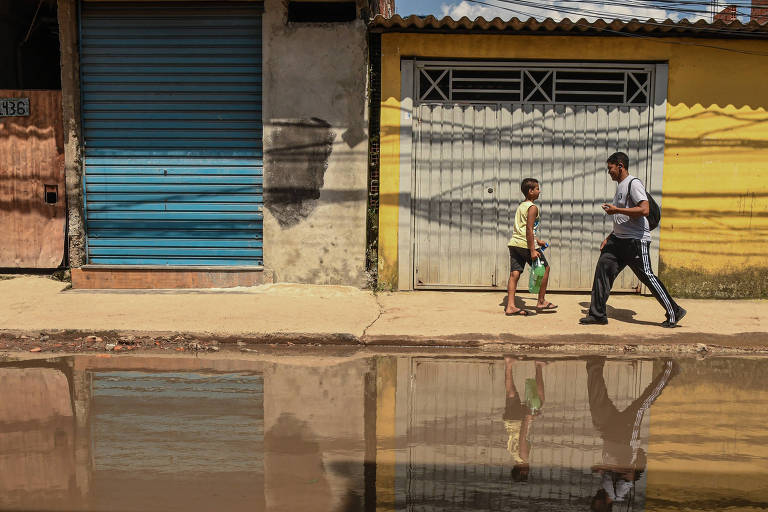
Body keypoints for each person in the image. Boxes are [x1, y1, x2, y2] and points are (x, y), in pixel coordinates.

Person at [580, 152, 686, 327]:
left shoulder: (633, 183)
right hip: (617, 241)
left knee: (647, 276)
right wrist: (609, 237)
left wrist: (617, 211)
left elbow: (644, 210)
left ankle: (674, 310)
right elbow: (622, 220)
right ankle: (597, 314)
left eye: (610, 168)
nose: (609, 172)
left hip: (635, 242)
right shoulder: (620, 186)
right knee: (603, 270)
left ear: (620, 166)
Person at [586, 357, 679, 511]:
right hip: (625, 438)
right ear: (603, 507)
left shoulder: (608, 488)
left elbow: (613, 469)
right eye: (595, 506)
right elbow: (629, 472)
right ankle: (670, 370)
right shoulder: (619, 493)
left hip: (609, 434)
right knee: (642, 404)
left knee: (596, 402)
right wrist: (607, 467)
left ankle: (595, 361)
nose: (594, 502)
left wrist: (601, 469)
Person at [505, 178, 557, 316]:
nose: (539, 191)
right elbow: (528, 229)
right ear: (530, 191)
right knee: (545, 268)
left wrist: (537, 240)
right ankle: (541, 301)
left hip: (515, 243)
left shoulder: (521, 206)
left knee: (514, 273)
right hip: (526, 245)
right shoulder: (533, 207)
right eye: (537, 189)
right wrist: (533, 249)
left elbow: (523, 228)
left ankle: (510, 306)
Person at [503, 356, 546, 482]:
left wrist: (528, 417)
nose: (529, 472)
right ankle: (508, 364)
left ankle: (539, 365)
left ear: (522, 472)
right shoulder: (513, 455)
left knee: (540, 400)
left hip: (518, 421)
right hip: (509, 421)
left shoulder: (523, 457)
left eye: (526, 474)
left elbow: (522, 437)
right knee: (511, 394)